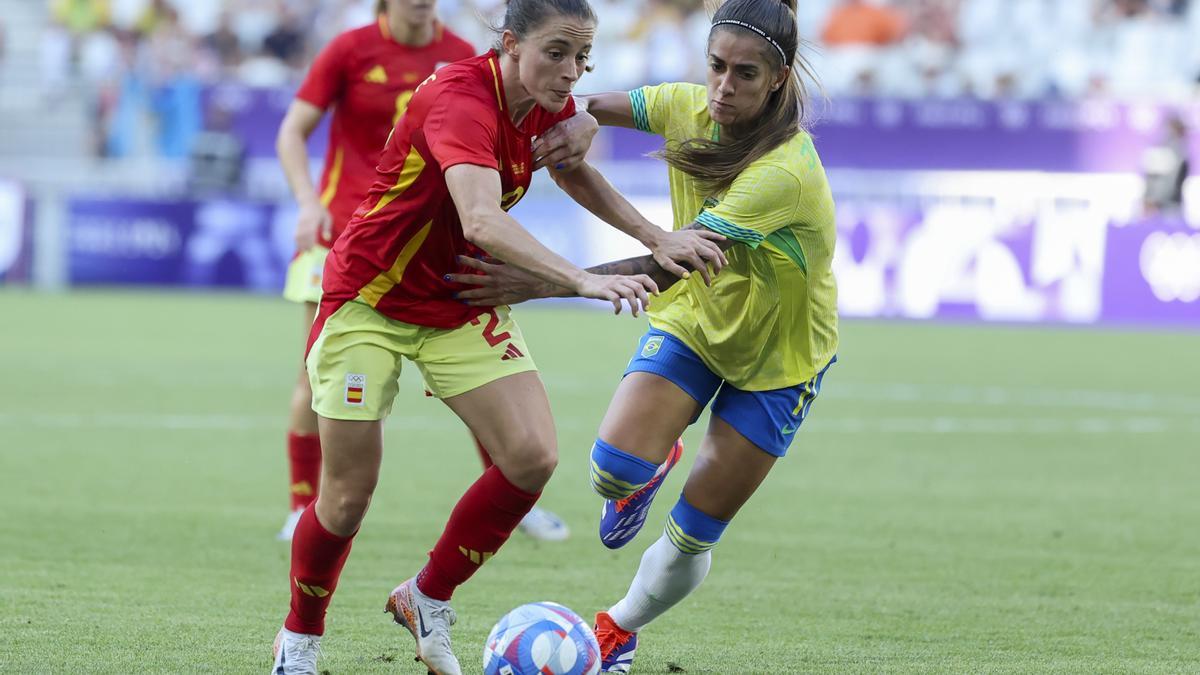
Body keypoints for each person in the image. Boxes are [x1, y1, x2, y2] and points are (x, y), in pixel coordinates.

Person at [270, 1, 727, 673]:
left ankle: (426, 597)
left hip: (457, 296)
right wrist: (578, 278)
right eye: (556, 53)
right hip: (368, 297)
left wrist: (656, 236)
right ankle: (300, 638)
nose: (570, 72)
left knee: (532, 457)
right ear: (510, 43)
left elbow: (573, 170)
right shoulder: (461, 97)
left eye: (582, 57)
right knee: (345, 496)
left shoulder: (539, 101)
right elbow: (482, 218)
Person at [451, 0, 837, 671]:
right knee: (610, 472)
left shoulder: (785, 172)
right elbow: (594, 102)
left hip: (779, 359)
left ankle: (618, 626)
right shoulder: (687, 104)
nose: (723, 86)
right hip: (695, 322)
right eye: (716, 66)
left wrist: (536, 281)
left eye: (745, 75)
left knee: (692, 534)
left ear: (776, 80)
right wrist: (579, 122)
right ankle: (649, 466)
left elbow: (670, 263)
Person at [274, 0, 576, 544]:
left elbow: (530, 114)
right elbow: (292, 130)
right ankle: (302, 505)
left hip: (438, 249)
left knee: (496, 398)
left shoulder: (462, 57)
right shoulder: (349, 48)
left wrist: (588, 118)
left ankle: (512, 493)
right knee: (311, 379)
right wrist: (305, 201)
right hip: (349, 240)